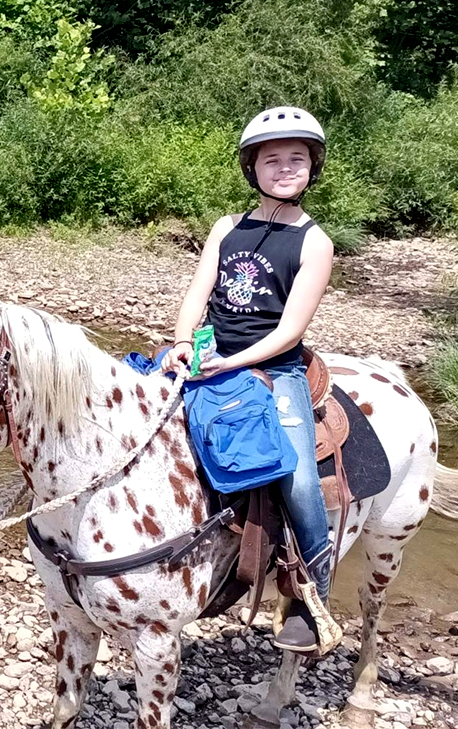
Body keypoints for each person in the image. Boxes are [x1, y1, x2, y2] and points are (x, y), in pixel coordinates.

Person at [162, 107, 336, 652]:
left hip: (273, 367)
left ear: (313, 167)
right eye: (272, 159)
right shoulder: (226, 228)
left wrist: (232, 364)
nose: (285, 168)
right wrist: (184, 341)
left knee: (300, 479)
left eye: (297, 159)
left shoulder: (314, 242)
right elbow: (198, 295)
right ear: (252, 168)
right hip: (211, 353)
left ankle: (312, 596)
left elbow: (290, 330)